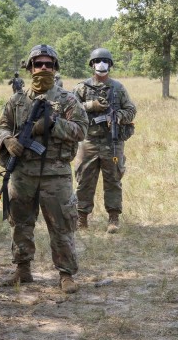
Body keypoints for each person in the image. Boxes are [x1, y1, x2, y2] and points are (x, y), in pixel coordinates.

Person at [0, 44, 88, 294]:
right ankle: (22, 269)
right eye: (38, 64)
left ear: (55, 68)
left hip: (55, 174)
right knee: (21, 223)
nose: (43, 68)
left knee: (61, 225)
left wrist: (50, 124)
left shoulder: (67, 100)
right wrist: (7, 140)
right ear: (30, 68)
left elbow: (81, 130)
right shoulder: (16, 101)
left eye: (49, 64)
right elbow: (2, 125)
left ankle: (66, 274)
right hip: (23, 173)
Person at [72, 48, 137, 234]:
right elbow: (70, 109)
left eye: (105, 61)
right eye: (98, 61)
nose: (101, 64)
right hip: (88, 141)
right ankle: (81, 218)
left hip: (112, 142)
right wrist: (91, 105)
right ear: (92, 64)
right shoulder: (82, 88)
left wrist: (118, 116)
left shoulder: (118, 88)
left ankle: (113, 217)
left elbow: (131, 110)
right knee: (84, 179)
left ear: (111, 65)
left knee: (113, 179)